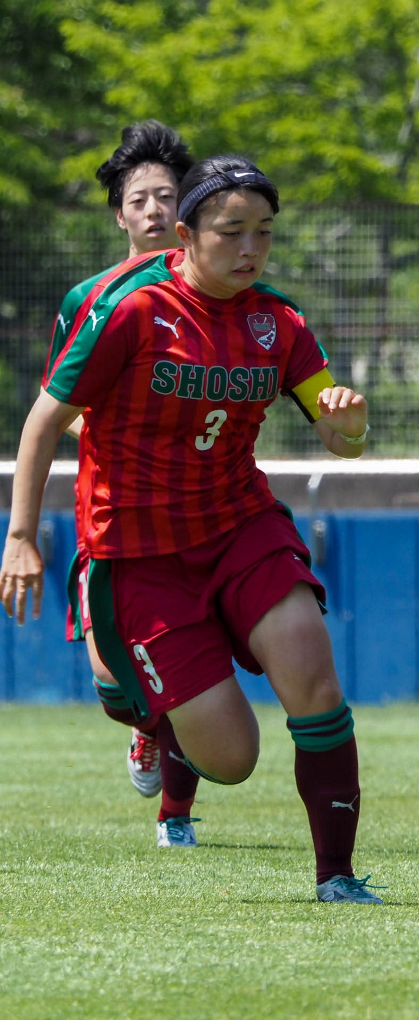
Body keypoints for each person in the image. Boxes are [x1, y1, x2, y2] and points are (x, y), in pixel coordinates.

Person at [3, 155, 383, 903]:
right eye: (232, 232)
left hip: (241, 527)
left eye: (264, 234)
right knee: (233, 758)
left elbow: (343, 435)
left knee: (311, 670)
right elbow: (46, 419)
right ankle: (147, 714)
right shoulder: (132, 309)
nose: (250, 249)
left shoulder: (278, 321)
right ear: (186, 235)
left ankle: (337, 877)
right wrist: (19, 536)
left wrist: (352, 423)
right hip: (140, 553)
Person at [45, 121, 198, 838]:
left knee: (194, 665)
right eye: (139, 199)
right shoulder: (91, 299)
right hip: (110, 513)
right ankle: (141, 726)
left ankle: (178, 813)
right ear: (120, 213)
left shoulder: (222, 290)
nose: (154, 210)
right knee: (117, 682)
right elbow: (57, 408)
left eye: (167, 196)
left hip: (205, 511)